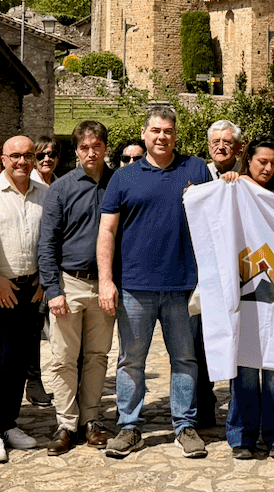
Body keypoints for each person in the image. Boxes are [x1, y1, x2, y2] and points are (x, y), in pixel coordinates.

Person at [98, 106, 212, 459]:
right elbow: (107, 231)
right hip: (134, 286)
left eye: (168, 131)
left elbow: (215, 218)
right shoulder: (124, 177)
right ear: (144, 133)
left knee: (185, 360)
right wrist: (106, 281)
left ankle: (185, 426)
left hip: (184, 285)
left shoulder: (196, 169)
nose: (162, 136)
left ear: (175, 135)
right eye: (156, 130)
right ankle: (129, 427)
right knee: (131, 361)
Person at [37, 121, 116, 455]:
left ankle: (91, 420)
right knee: (64, 359)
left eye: (96, 146)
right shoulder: (61, 188)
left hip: (105, 284)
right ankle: (67, 424)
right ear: (76, 150)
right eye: (84, 147)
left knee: (97, 356)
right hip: (69, 283)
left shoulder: (117, 183)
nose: (91, 153)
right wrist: (53, 289)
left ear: (105, 148)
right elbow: (47, 243)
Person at [217, 138, 274, 459]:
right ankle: (242, 436)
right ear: (248, 159)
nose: (268, 168)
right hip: (245, 285)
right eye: (262, 161)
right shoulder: (233, 189)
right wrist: (230, 182)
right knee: (245, 368)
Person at [0, 134, 48, 462]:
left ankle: (9, 423)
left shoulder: (45, 194)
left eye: (28, 155)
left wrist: (44, 279)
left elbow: (51, 240)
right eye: (15, 155)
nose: (22, 161)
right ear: (4, 159)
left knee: (20, 361)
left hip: (31, 289)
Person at [197, 118, 242, 427]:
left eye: (227, 142)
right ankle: (204, 406)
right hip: (205, 269)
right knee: (201, 343)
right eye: (216, 142)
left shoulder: (247, 176)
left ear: (237, 147)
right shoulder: (197, 174)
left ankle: (241, 411)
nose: (221, 147)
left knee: (240, 343)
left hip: (240, 269)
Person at [25, 133, 61, 406]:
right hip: (33, 271)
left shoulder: (61, 185)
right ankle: (33, 381)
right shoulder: (29, 186)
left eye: (52, 154)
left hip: (57, 269)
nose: (47, 159)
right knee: (33, 329)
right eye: (41, 155)